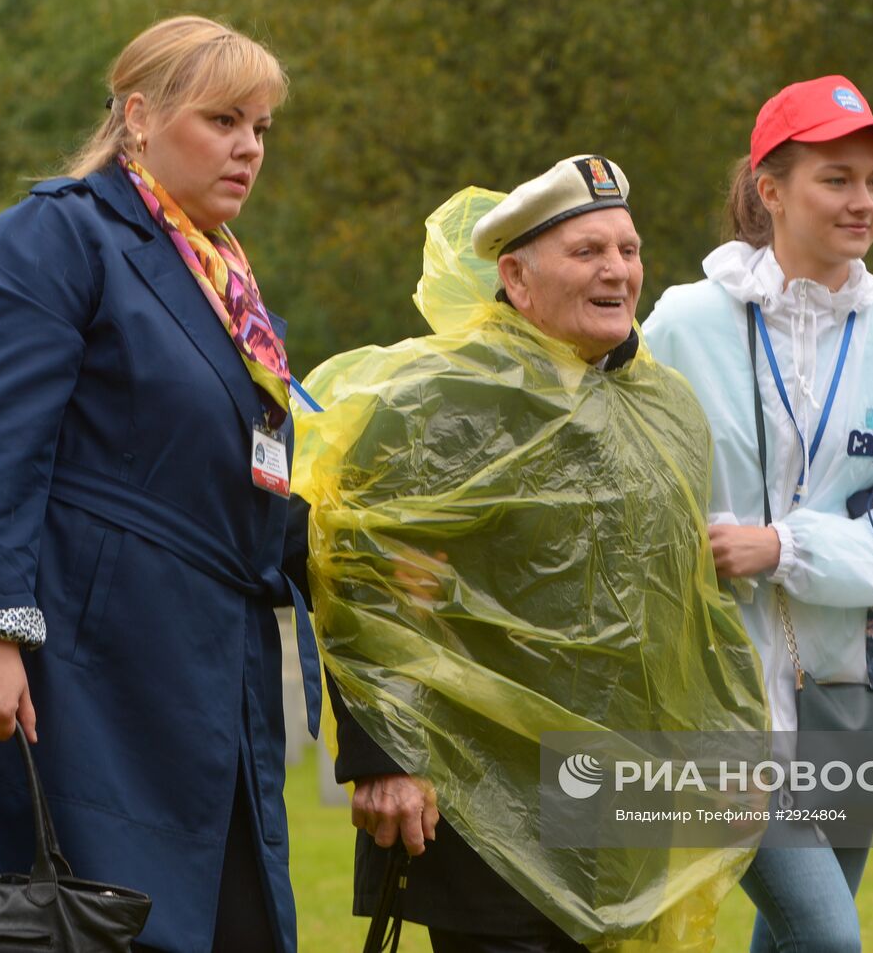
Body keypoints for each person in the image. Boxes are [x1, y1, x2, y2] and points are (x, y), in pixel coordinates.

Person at [0, 16, 320, 953]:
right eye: (224, 119)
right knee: (42, 921)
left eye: (261, 127)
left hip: (196, 668)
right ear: (139, 117)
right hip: (66, 664)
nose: (249, 148)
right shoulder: (53, 239)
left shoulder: (228, 288)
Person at [293, 157, 769, 952]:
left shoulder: (667, 409)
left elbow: (689, 610)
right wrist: (381, 757)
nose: (618, 269)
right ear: (515, 275)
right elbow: (364, 585)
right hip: (484, 792)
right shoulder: (443, 400)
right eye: (587, 251)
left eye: (629, 248)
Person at [642, 76, 873, 952]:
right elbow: (627, 475)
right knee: (829, 938)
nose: (863, 201)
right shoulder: (683, 321)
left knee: (793, 941)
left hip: (853, 691)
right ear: (770, 190)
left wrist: (787, 548)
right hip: (718, 694)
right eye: (836, 179)